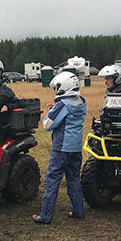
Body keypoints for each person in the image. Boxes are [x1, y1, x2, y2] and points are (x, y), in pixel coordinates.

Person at [32, 72, 86, 224]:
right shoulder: (82, 101)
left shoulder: (62, 104)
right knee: (74, 178)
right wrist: (56, 108)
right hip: (76, 147)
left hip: (61, 147)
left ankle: (45, 215)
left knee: (52, 179)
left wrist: (51, 111)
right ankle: (78, 212)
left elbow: (48, 124)